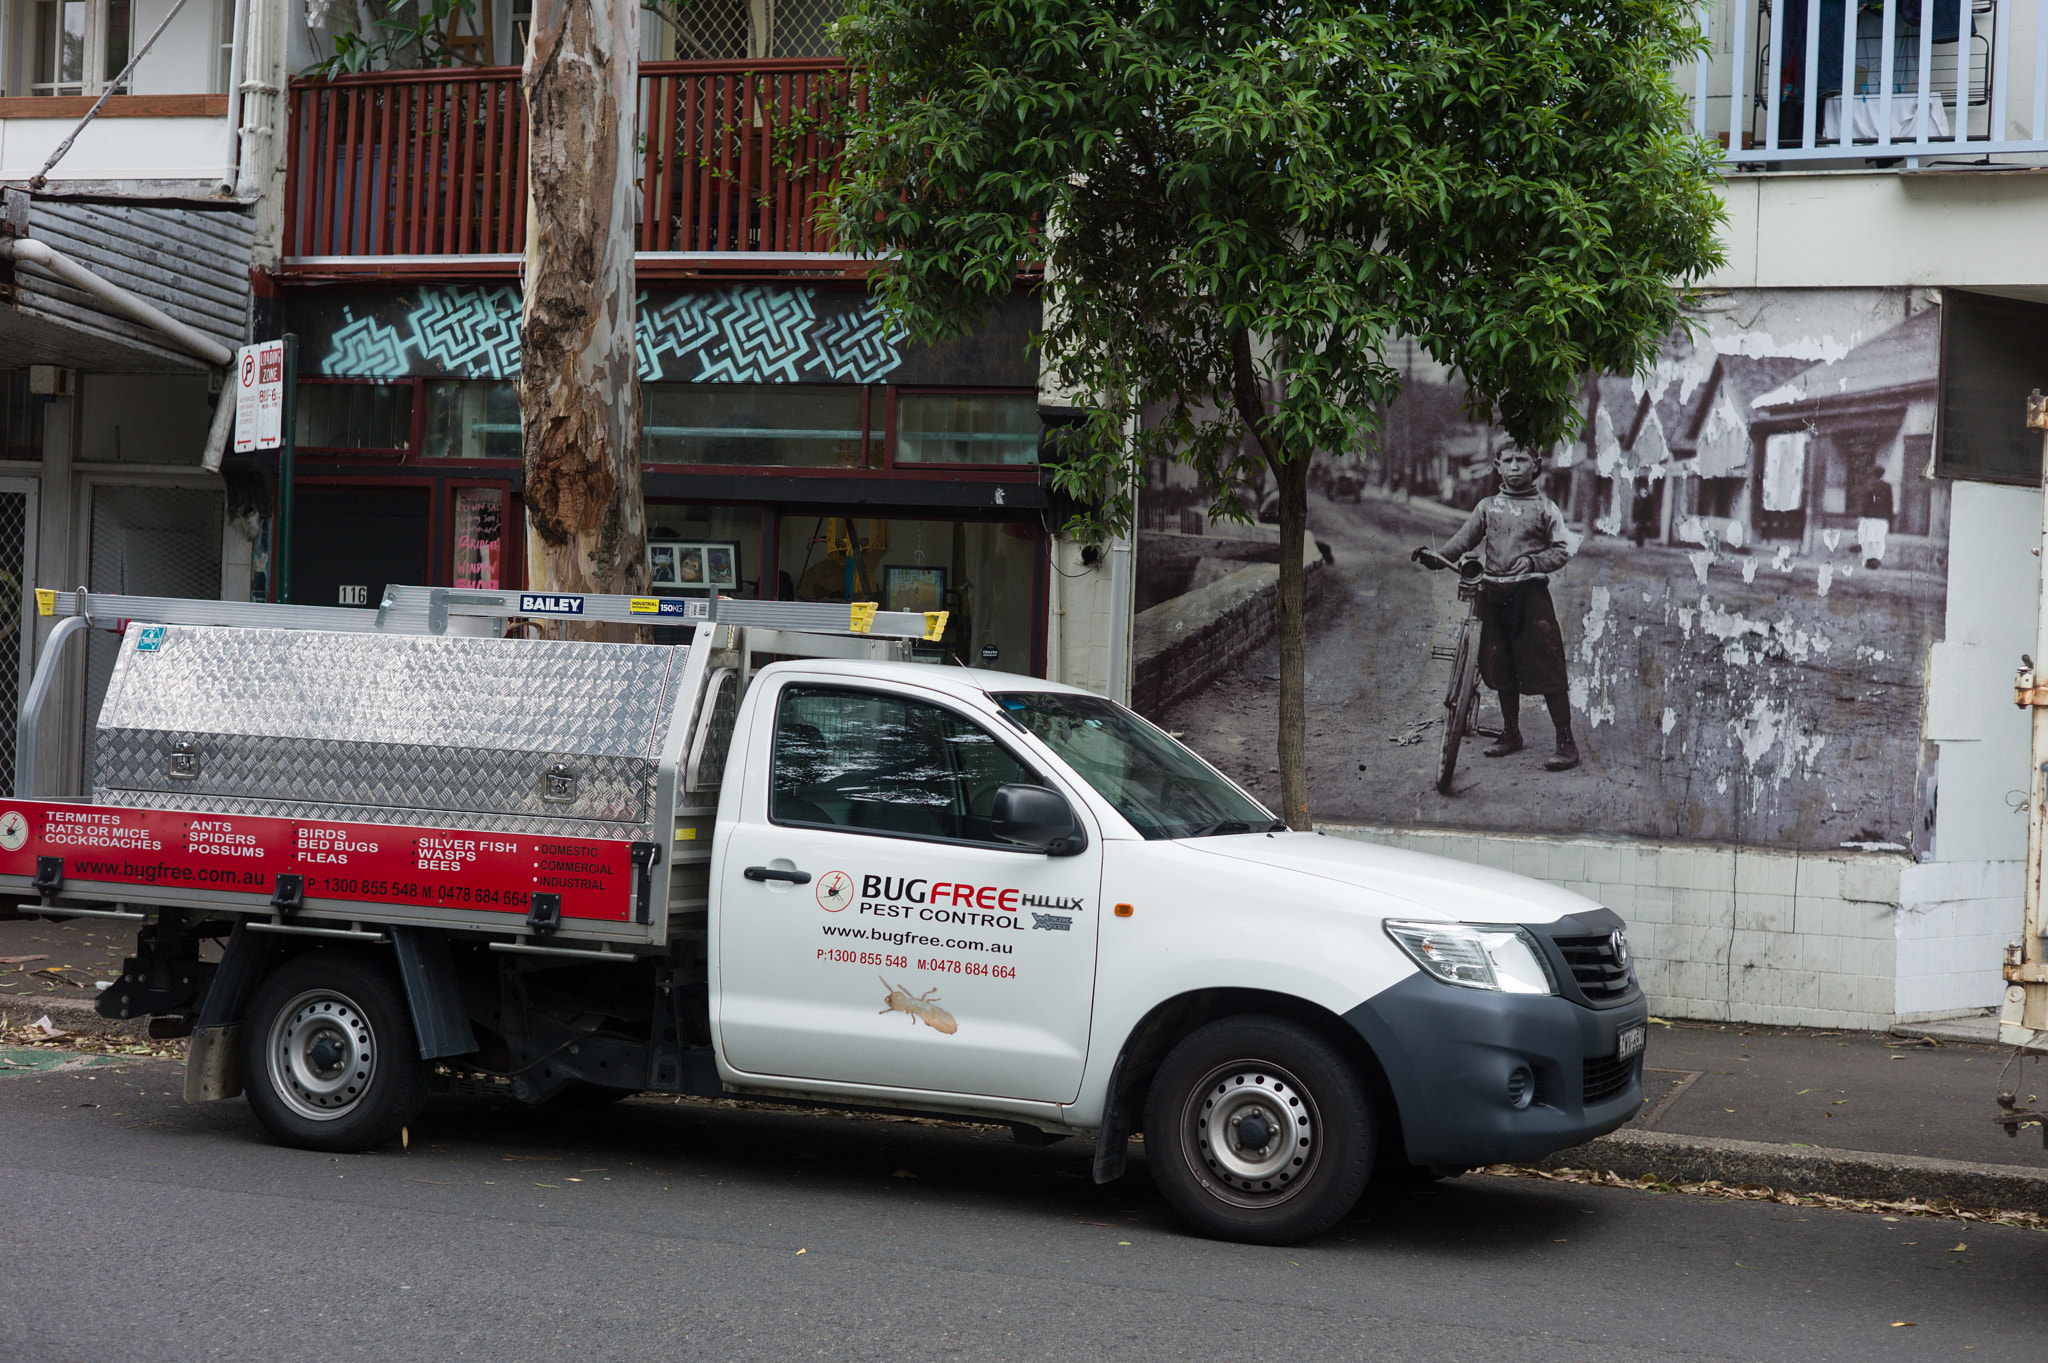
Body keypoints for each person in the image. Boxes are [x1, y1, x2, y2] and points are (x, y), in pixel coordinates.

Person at [1413, 446, 1580, 772]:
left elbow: (1563, 547)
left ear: (1536, 466)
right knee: (1499, 662)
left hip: (1531, 594)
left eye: (1522, 460)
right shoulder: (1487, 507)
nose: (1515, 467)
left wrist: (1534, 560)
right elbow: (1463, 540)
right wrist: (1438, 556)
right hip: (1492, 593)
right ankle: (1511, 732)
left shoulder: (1545, 507)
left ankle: (1566, 742)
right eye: (1508, 461)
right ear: (1497, 466)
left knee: (1548, 662)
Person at [1857, 464, 1894, 570]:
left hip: (1872, 517)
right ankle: (1876, 560)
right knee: (1879, 540)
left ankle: (1869, 561)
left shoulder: (1871, 486)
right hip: (1882, 518)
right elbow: (1890, 503)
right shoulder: (1887, 486)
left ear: (1874, 474)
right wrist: (1890, 519)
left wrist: (1863, 515)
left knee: (1870, 539)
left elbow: (1866, 503)